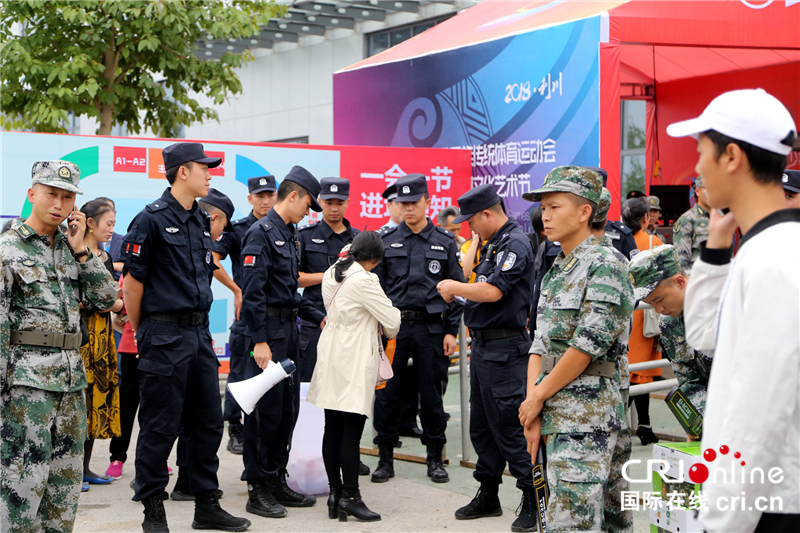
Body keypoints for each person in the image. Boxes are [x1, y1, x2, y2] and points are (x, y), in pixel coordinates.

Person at [668, 88, 799, 532]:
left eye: (701, 151)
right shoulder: (761, 249)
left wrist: (720, 523)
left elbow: (755, 415)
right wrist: (718, 244)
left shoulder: (776, 259)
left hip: (770, 505)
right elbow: (705, 335)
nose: (697, 168)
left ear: (732, 158)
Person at [121, 143, 250, 532]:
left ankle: (205, 503)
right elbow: (132, 286)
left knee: (208, 422)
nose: (210, 174)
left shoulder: (200, 219)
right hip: (163, 333)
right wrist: (146, 331)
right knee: (160, 425)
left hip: (198, 334)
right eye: (204, 168)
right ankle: (153, 511)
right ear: (181, 172)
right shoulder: (150, 220)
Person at [0, 161, 116, 532]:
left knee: (63, 489)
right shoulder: (7, 249)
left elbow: (106, 298)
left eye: (67, 197)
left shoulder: (72, 249)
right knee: (21, 485)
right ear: (32, 194)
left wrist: (83, 251)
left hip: (70, 383)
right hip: (26, 388)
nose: (59, 203)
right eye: (51, 193)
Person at [517, 166, 634, 533]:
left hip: (590, 418)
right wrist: (532, 407)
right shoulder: (558, 268)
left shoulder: (606, 265)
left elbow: (587, 347)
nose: (545, 216)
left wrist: (537, 398)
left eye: (554, 206)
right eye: (544, 208)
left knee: (577, 525)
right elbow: (540, 342)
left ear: (585, 212)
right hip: (558, 412)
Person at [437, 184, 537, 533]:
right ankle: (489, 493)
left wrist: (454, 288)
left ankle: (534, 498)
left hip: (506, 349)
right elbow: (473, 275)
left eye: (472, 222)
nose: (469, 229)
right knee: (481, 425)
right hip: (483, 348)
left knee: (511, 426)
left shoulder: (515, 243)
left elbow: (493, 291)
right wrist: (474, 251)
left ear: (488, 214)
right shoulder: (491, 242)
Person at [239, 165, 326, 518]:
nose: (309, 212)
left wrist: (320, 316)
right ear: (293, 196)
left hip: (289, 331)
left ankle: (276, 478)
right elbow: (253, 293)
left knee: (287, 410)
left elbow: (288, 291)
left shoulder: (289, 235)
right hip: (267, 336)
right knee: (265, 414)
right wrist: (259, 341)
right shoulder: (260, 234)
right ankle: (257, 487)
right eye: (308, 204)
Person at [371, 174, 463, 486]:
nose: (408, 208)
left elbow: (458, 291)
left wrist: (451, 330)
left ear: (427, 201)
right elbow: (376, 288)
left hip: (431, 329)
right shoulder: (385, 242)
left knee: (432, 395)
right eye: (403, 203)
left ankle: (435, 459)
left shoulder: (445, 242)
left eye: (414, 202)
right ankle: (385, 458)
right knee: (386, 393)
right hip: (394, 329)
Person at [308, 232, 401, 522]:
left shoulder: (330, 274)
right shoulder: (365, 280)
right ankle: (351, 496)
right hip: (354, 355)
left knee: (332, 426)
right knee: (351, 429)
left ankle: (335, 494)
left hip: (330, 351)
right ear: (373, 259)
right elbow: (393, 322)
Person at [168, 188, 236, 501]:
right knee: (178, 413)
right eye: (223, 226)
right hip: (174, 335)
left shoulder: (202, 242)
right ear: (216, 218)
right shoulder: (182, 235)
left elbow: (213, 266)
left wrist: (235, 289)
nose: (222, 234)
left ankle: (189, 480)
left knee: (201, 413)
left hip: (198, 332)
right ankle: (178, 481)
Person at [213, 175, 277, 455]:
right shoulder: (238, 230)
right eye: (259, 196)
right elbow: (212, 260)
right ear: (249, 198)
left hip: (274, 317)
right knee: (239, 371)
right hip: (246, 317)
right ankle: (235, 427)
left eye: (269, 195)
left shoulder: (285, 228)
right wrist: (238, 290)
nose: (265, 201)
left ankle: (261, 427)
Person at [628, 245, 713, 432]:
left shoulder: (723, 307)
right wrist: (702, 424)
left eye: (659, 300)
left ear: (680, 282)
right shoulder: (669, 323)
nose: (658, 310)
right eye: (650, 304)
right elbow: (689, 380)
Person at [591, 187, 634, 532]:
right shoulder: (563, 257)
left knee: (613, 472)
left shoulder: (611, 261)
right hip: (601, 378)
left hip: (609, 378)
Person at [79, 199, 124, 485]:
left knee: (97, 399)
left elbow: (109, 299)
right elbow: (90, 299)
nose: (111, 230)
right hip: (80, 336)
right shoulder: (73, 254)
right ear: (90, 223)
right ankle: (69, 473)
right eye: (108, 224)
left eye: (114, 225)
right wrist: (111, 302)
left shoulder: (105, 258)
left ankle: (85, 469)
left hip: (103, 335)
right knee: (78, 402)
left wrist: (114, 304)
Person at [298, 177, 359, 382]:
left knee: (345, 383)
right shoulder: (304, 236)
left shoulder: (359, 240)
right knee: (309, 381)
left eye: (339, 203)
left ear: (348, 203)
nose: (334, 208)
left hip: (350, 321)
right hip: (314, 319)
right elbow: (294, 278)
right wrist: (329, 276)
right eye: (329, 202)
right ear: (320, 201)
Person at [621, 197, 662, 445]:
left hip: (626, 313)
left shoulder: (616, 240)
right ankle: (641, 425)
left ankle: (630, 425)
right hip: (645, 312)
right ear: (645, 218)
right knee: (642, 371)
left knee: (629, 371)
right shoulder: (652, 242)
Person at [672, 176, 711, 274]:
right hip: (698, 281)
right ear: (697, 191)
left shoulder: (720, 219)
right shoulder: (687, 220)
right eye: (706, 187)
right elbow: (682, 261)